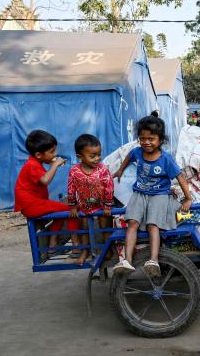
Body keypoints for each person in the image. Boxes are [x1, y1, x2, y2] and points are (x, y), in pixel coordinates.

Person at [112, 116, 193, 277]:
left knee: (152, 225)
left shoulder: (166, 159)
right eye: (142, 139)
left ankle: (153, 260)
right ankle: (127, 260)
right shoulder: (137, 152)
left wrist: (188, 198)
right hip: (140, 193)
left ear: (161, 140)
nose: (146, 142)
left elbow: (180, 178)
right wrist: (121, 170)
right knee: (132, 222)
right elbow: (129, 156)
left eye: (151, 139)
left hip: (159, 195)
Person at [14, 130, 80, 256]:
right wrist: (55, 164)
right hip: (31, 205)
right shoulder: (32, 165)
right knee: (70, 210)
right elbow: (44, 180)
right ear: (38, 154)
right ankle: (77, 246)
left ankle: (52, 246)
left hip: (36, 203)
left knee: (60, 213)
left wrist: (52, 162)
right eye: (51, 152)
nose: (55, 154)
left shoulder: (36, 162)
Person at [67, 134, 114, 265]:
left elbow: (109, 187)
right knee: (84, 229)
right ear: (79, 157)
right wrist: (73, 206)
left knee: (105, 227)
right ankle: (85, 251)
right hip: (84, 206)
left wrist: (107, 205)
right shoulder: (74, 171)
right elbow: (71, 189)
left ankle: (108, 250)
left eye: (99, 154)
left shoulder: (103, 169)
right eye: (92, 156)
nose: (97, 159)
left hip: (101, 205)